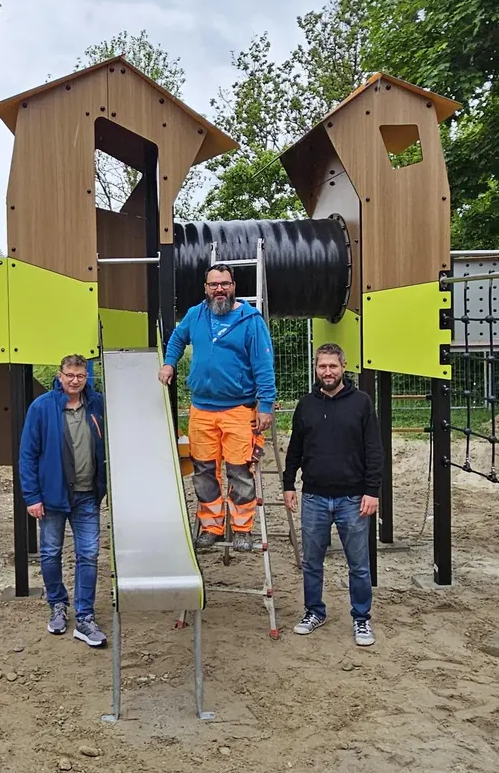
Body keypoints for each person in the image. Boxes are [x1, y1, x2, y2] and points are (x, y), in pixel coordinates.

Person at [158, 264, 277, 552]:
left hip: (239, 410)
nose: (219, 289)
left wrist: (266, 405)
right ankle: (211, 526)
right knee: (204, 471)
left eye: (224, 283)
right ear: (206, 288)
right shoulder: (195, 315)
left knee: (240, 471)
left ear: (234, 285)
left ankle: (241, 529)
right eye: (214, 284)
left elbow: (263, 366)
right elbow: (176, 338)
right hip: (201, 410)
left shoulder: (251, 320)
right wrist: (169, 362)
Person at [281, 343, 384, 647]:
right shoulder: (305, 406)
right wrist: (288, 484)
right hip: (314, 497)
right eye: (322, 366)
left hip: (353, 499)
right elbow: (295, 449)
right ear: (316, 369)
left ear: (343, 367)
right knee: (312, 562)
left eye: (333, 366)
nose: (327, 372)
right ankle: (314, 611)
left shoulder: (362, 403)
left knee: (359, 565)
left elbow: (374, 451)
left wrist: (372, 491)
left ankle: (361, 619)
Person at [19, 353, 108, 648]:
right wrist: (32, 496)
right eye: (69, 375)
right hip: (52, 497)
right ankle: (57, 605)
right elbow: (27, 454)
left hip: (87, 496)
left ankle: (85, 616)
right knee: (50, 553)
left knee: (89, 555)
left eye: (80, 376)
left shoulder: (97, 405)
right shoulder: (42, 408)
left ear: (87, 377)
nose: (75, 381)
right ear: (59, 376)